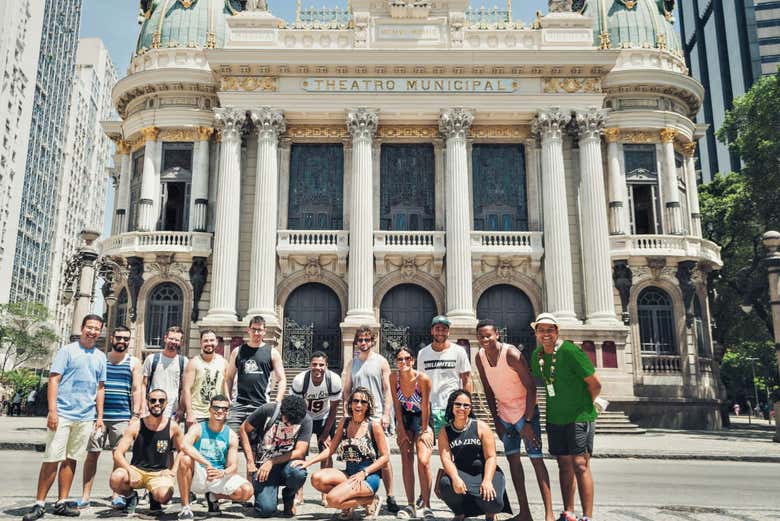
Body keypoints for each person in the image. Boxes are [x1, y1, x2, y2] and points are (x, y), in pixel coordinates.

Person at [22, 314, 107, 521]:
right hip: (63, 414)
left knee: (71, 459)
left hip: (85, 416)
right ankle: (39, 503)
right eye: (90, 327)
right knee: (52, 458)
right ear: (82, 327)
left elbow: (100, 388)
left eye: (97, 328)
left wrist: (99, 417)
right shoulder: (67, 351)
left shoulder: (100, 356)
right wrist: (52, 411)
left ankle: (62, 501)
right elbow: (54, 380)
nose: (93, 331)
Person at [474, 319, 554, 521]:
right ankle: (525, 512)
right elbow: (488, 390)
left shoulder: (511, 354)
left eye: (488, 335)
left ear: (497, 334)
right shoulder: (480, 357)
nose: (485, 339)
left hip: (525, 414)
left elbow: (532, 387)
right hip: (505, 416)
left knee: (536, 461)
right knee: (514, 463)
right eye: (481, 336)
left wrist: (527, 422)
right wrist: (496, 420)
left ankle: (549, 514)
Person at [529, 313, 602, 521]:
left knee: (580, 464)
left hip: (580, 416)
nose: (545, 334)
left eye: (550, 330)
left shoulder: (570, 351)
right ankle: (569, 512)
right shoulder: (537, 356)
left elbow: (595, 383)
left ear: (557, 332)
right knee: (563, 464)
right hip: (555, 418)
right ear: (535, 333)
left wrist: (586, 405)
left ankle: (587, 517)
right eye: (541, 330)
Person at [298, 386, 390, 520]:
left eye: (363, 402)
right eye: (356, 401)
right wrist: (308, 462)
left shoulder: (373, 426)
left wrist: (364, 472)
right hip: (349, 473)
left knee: (331, 500)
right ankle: (348, 502)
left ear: (368, 406)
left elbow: (385, 457)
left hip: (368, 477)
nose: (359, 405)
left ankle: (371, 500)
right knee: (317, 479)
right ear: (350, 403)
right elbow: (330, 449)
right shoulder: (345, 422)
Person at [78, 326, 143, 509]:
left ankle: (116, 495)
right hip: (97, 417)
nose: (122, 341)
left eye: (126, 339)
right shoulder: (101, 359)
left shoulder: (133, 362)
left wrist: (136, 415)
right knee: (92, 455)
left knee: (118, 457)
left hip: (122, 417)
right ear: (112, 338)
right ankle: (85, 496)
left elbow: (137, 389)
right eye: (119, 337)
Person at [341, 327, 398, 513]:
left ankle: (390, 496)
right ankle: (361, 494)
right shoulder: (352, 363)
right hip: (357, 415)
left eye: (366, 339)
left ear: (373, 341)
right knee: (357, 455)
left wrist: (386, 414)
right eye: (360, 340)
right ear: (356, 342)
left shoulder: (381, 362)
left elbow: (387, 389)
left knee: (385, 458)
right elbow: (347, 391)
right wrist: (346, 412)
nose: (363, 343)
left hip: (377, 416)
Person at [438, 390, 510, 521]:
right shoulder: (445, 431)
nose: (462, 408)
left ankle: (490, 514)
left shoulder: (481, 427)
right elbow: (446, 459)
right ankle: (460, 513)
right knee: (446, 484)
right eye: (458, 404)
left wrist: (487, 481)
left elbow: (491, 457)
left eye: (466, 405)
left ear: (470, 408)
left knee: (495, 503)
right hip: (462, 473)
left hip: (484, 472)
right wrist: (455, 478)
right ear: (451, 406)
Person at [177, 395, 253, 519]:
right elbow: (184, 445)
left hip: (217, 476)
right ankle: (185, 508)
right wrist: (206, 463)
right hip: (198, 474)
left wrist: (222, 473)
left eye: (224, 408)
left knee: (247, 491)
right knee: (185, 459)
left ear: (228, 411)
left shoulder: (231, 435)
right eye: (216, 407)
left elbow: (233, 466)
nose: (219, 411)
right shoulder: (198, 428)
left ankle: (214, 496)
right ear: (210, 409)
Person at [110, 389, 185, 514]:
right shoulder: (136, 425)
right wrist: (129, 470)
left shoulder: (172, 427)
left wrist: (173, 471)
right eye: (153, 400)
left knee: (164, 497)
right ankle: (131, 497)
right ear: (147, 403)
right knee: (116, 478)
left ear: (166, 403)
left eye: (161, 400)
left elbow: (183, 450)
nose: (157, 403)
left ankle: (155, 498)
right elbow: (118, 453)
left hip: (159, 473)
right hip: (137, 471)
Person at [238, 394, 311, 517]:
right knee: (265, 510)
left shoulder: (305, 419)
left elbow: (300, 451)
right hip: (263, 465)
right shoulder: (267, 410)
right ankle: (267, 496)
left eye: (294, 422)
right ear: (282, 412)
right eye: (287, 421)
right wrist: (250, 461)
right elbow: (243, 429)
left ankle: (289, 497)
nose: (289, 425)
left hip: (287, 464)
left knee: (299, 472)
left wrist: (272, 461)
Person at [289, 351, 343, 505]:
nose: (317, 368)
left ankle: (325, 493)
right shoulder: (300, 380)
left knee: (326, 454)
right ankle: (299, 493)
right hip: (304, 417)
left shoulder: (333, 380)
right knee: (299, 455)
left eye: (321, 365)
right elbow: (296, 407)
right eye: (314, 364)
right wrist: (296, 428)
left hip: (325, 417)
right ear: (309, 365)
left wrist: (326, 433)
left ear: (326, 366)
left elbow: (334, 409)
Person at [390, 346, 434, 521]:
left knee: (423, 461)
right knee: (406, 459)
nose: (404, 362)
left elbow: (425, 406)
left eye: (407, 358)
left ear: (413, 360)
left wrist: (424, 430)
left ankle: (427, 505)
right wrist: (400, 428)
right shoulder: (394, 378)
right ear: (396, 362)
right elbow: (396, 404)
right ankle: (410, 505)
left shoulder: (422, 379)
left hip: (421, 418)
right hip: (405, 419)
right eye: (400, 359)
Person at [225, 316, 286, 435]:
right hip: (239, 405)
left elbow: (282, 379)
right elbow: (229, 377)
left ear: (264, 331)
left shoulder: (272, 352)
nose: (256, 333)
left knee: (257, 445)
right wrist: (228, 398)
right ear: (248, 330)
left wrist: (277, 400)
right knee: (229, 440)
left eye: (259, 330)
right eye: (254, 329)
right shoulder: (237, 351)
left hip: (261, 405)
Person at [417, 316, 473, 439]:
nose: (440, 332)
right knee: (427, 448)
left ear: (448, 332)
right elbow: (420, 383)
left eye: (444, 329)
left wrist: (468, 405)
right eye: (437, 329)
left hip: (452, 408)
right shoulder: (423, 353)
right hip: (430, 408)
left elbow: (467, 379)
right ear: (432, 331)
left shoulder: (459, 351)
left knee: (454, 446)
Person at [181, 329, 227, 429]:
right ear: (200, 343)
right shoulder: (193, 363)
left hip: (217, 414)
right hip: (197, 415)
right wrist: (189, 412)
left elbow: (227, 385)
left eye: (211, 340)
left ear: (216, 342)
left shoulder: (223, 362)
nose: (209, 343)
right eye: (205, 341)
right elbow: (186, 389)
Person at [142, 326, 186, 419]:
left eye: (176, 340)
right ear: (165, 338)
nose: (173, 342)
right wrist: (143, 405)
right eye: (171, 338)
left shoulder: (184, 362)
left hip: (172, 411)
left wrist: (181, 409)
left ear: (181, 342)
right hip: (152, 408)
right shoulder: (152, 359)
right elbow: (143, 384)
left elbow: (185, 389)